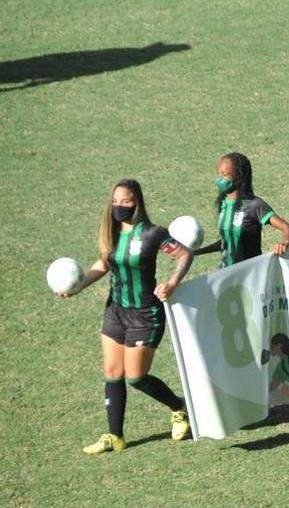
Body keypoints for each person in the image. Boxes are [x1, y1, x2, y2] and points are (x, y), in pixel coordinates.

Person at [57, 180, 194, 454]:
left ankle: (180, 408)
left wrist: (172, 283)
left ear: (137, 203)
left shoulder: (154, 234)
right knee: (112, 372)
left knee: (136, 377)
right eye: (115, 201)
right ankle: (115, 436)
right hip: (116, 311)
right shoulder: (112, 233)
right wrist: (79, 286)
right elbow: (103, 264)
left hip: (145, 315)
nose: (119, 206)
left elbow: (184, 254)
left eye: (126, 201)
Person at [193, 152, 289, 265]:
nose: (220, 179)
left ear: (238, 176)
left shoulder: (254, 205)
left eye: (224, 174)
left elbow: (288, 228)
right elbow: (227, 241)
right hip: (226, 271)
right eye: (219, 174)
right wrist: (198, 252)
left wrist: (284, 243)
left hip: (250, 271)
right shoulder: (223, 204)